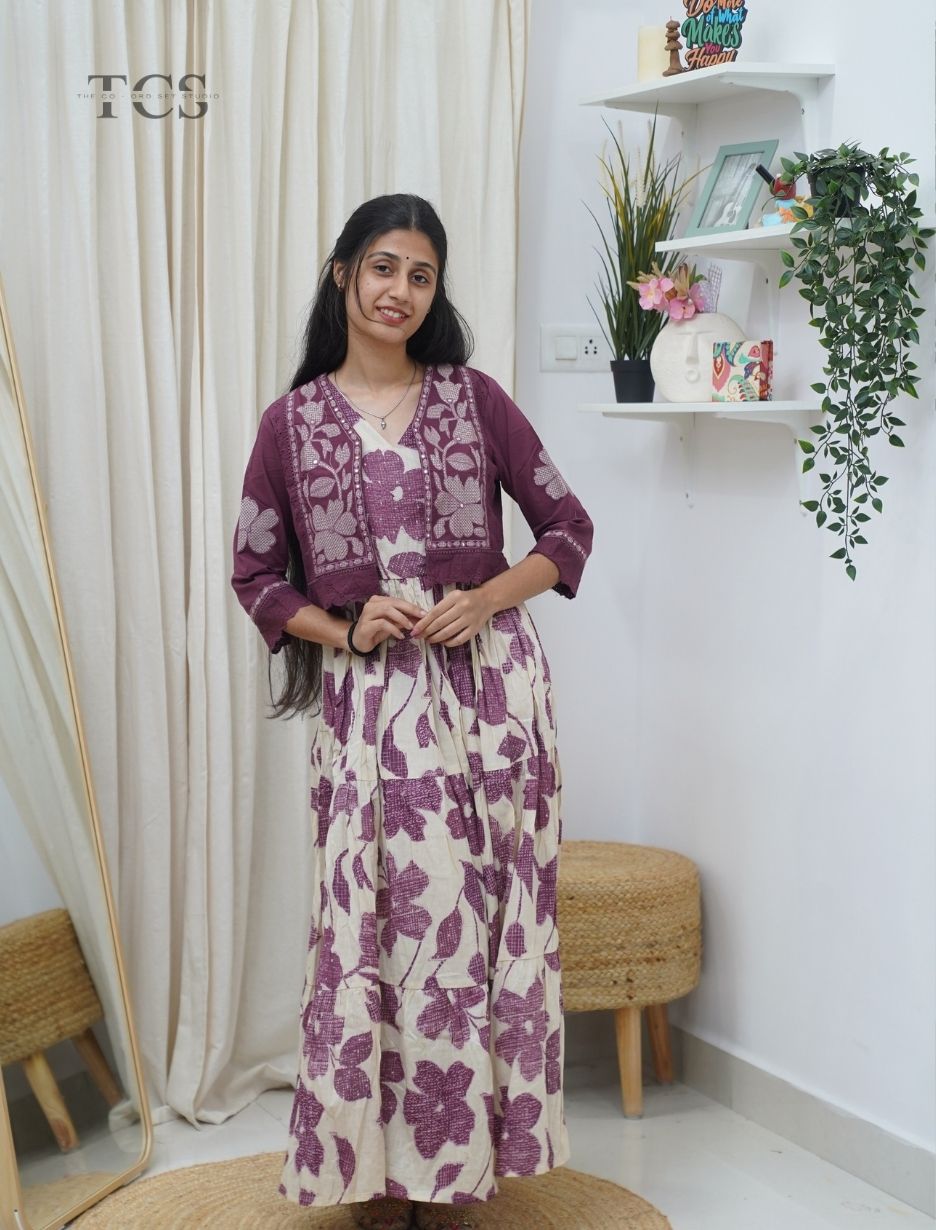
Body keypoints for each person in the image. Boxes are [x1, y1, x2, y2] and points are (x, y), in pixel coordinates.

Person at [231, 194, 594, 1230]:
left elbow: (567, 529)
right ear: (343, 273)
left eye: (421, 275)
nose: (399, 291)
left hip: (493, 701)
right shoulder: (292, 424)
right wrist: (346, 632)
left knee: (476, 924)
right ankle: (376, 1166)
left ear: (436, 291)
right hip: (372, 713)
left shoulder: (475, 400)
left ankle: (458, 1163)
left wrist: (486, 598)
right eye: (383, 267)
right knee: (379, 925)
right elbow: (256, 577)